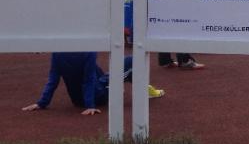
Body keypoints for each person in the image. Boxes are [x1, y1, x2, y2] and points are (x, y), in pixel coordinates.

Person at [22, 53, 164, 116]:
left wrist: (42, 102)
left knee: (101, 72)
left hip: (77, 99)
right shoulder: (88, 50)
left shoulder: (58, 52)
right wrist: (90, 105)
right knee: (132, 61)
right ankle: (142, 89)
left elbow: (53, 78)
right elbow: (88, 79)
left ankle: (121, 86)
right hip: (99, 95)